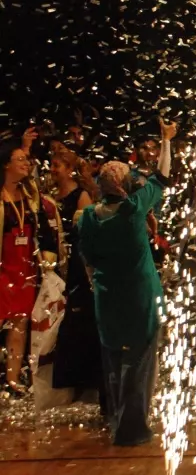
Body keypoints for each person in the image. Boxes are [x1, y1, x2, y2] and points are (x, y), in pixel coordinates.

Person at [76, 160, 164, 445]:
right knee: (139, 360)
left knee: (113, 359)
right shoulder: (133, 210)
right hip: (140, 295)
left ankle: (118, 420)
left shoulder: (89, 216)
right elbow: (162, 177)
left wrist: (95, 281)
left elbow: (87, 256)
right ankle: (133, 427)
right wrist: (166, 140)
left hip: (107, 294)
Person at [1, 135, 64, 395]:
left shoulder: (29, 194)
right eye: (20, 160)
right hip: (3, 264)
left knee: (20, 323)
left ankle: (13, 381)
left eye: (27, 160)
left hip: (24, 266)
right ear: (5, 165)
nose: (26, 164)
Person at [48, 149, 105, 400]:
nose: (52, 169)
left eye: (57, 165)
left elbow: (87, 235)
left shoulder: (81, 196)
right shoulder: (50, 197)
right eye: (51, 164)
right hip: (60, 263)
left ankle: (86, 379)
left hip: (78, 266)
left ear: (69, 168)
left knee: (81, 319)